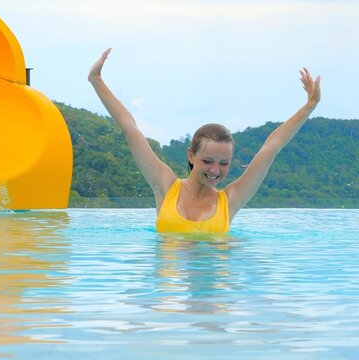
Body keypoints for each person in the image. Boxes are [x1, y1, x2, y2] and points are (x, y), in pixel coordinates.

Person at [88, 48, 321, 233]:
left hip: (216, 292)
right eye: (208, 160)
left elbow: (271, 147)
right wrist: (96, 80)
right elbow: (131, 129)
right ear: (191, 155)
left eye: (223, 163)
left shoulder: (229, 201)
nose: (215, 170)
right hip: (169, 292)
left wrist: (309, 106)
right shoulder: (167, 186)